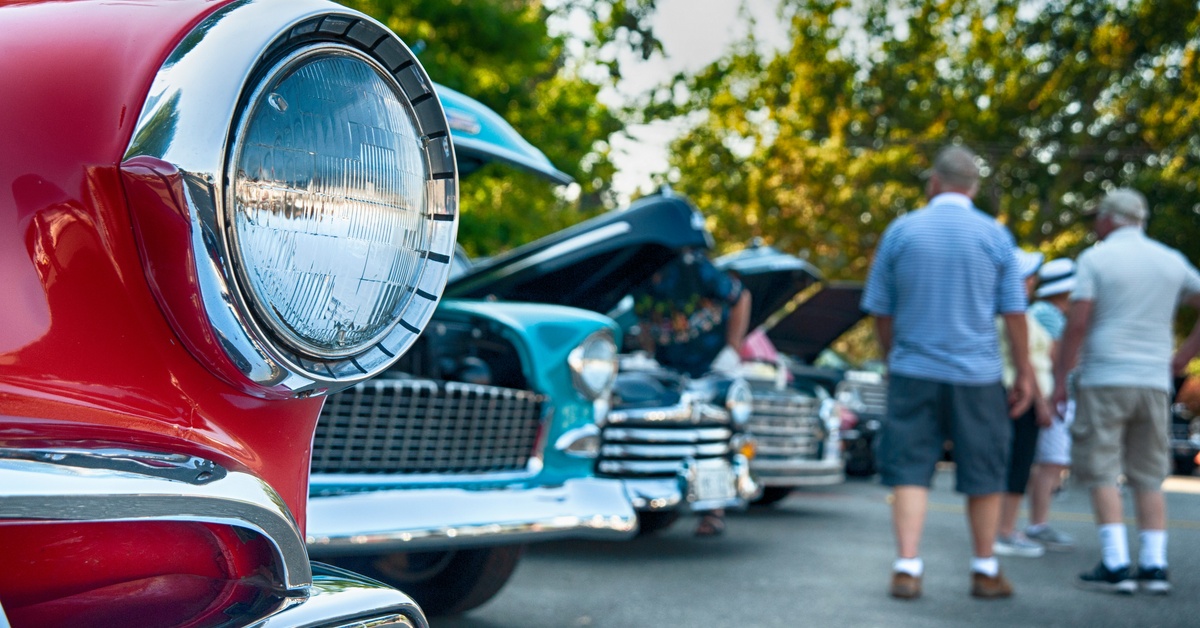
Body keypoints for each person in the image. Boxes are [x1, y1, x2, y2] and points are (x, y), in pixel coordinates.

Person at [861, 145, 1036, 600]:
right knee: (985, 470)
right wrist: (1025, 373)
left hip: (913, 370)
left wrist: (891, 356)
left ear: (932, 182)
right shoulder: (996, 237)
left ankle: (907, 566)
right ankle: (984, 568)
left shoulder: (901, 231)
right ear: (974, 188)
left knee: (910, 470)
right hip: (977, 375)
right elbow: (1015, 313)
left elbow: (881, 309)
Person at [1052, 188, 1200, 595]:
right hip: (1153, 381)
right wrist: (1183, 355)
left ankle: (1115, 562)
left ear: (1107, 219)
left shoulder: (1095, 259)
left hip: (1104, 377)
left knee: (1101, 469)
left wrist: (1060, 379)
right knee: (1149, 475)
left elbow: (1078, 324)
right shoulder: (1170, 261)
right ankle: (1155, 564)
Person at [632, 247, 752, 536]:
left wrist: (732, 348)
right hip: (669, 369)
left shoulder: (694, 267)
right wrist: (649, 353)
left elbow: (741, 298)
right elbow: (645, 322)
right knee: (670, 434)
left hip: (712, 367)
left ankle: (714, 511)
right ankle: (664, 505)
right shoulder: (636, 278)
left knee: (713, 436)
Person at [994, 250, 1055, 558]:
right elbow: (1026, 361)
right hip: (1023, 397)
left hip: (1023, 394)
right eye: (1027, 276)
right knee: (1017, 465)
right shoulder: (1013, 315)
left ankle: (1005, 527)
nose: (1032, 282)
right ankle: (1004, 531)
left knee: (1017, 464)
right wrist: (1041, 402)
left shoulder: (1022, 313)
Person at [1022, 258, 1079, 551]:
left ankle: (1037, 522)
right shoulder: (1049, 315)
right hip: (1053, 396)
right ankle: (1038, 524)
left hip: (1050, 395)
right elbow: (1060, 359)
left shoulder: (1045, 312)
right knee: (1051, 461)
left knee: (1049, 461)